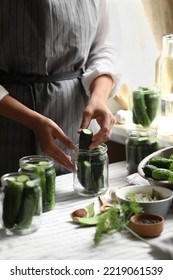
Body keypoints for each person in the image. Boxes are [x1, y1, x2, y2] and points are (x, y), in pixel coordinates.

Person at [0, 0, 121, 176]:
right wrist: (33, 120)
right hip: (10, 126)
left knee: (80, 199)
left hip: (76, 121)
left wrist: (99, 97)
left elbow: (105, 49)